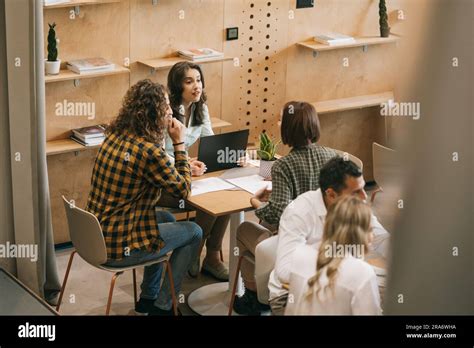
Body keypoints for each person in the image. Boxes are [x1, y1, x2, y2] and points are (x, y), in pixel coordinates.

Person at [85, 79, 202, 316]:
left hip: (95, 235)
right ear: (152, 113)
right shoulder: (148, 151)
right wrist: (179, 143)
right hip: (118, 246)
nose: (171, 111)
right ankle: (164, 306)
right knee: (194, 232)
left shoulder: (115, 135)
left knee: (166, 216)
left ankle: (148, 299)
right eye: (166, 106)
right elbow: (183, 190)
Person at [233, 101, 338, 315]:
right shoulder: (332, 157)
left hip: (295, 242)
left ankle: (253, 298)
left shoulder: (284, 165)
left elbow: (278, 212)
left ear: (287, 129)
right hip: (326, 238)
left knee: (244, 230)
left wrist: (255, 203)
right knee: (263, 225)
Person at [268, 157, 389, 315]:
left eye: (364, 188)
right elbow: (284, 271)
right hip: (288, 295)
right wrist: (343, 273)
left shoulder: (353, 207)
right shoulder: (298, 212)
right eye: (356, 192)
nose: (364, 197)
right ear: (331, 194)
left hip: (333, 285)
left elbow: (381, 237)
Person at [159, 61, 229, 281]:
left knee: (224, 198)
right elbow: (157, 153)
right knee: (210, 202)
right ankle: (194, 252)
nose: (196, 86)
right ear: (177, 86)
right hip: (164, 182)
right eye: (189, 81)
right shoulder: (166, 112)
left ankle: (212, 256)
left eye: (198, 80)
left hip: (185, 172)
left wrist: (230, 154)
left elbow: (210, 140)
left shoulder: (201, 107)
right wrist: (185, 163)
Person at [285, 195, 382, 315]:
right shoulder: (363, 273)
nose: (373, 236)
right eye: (370, 229)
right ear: (360, 233)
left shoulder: (300, 254)